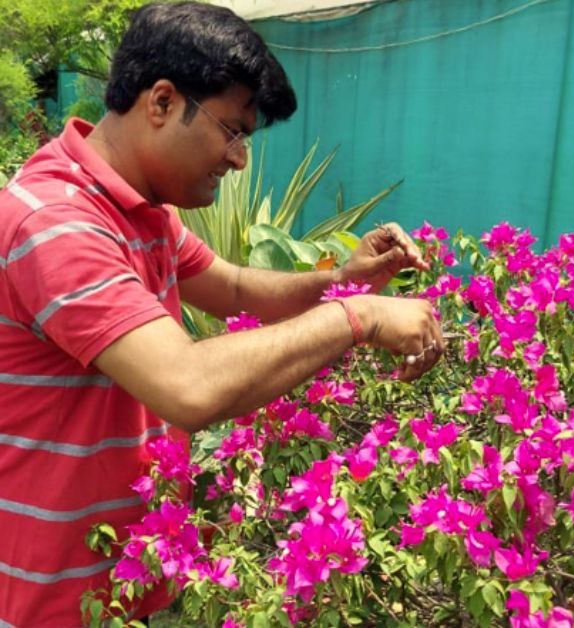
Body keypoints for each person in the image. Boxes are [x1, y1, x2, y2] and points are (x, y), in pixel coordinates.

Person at [0, 3, 443, 624]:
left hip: (136, 576)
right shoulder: (56, 222)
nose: (239, 159)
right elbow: (188, 385)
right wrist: (359, 318)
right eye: (234, 131)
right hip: (58, 602)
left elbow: (232, 288)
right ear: (161, 102)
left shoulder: (143, 208)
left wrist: (345, 281)